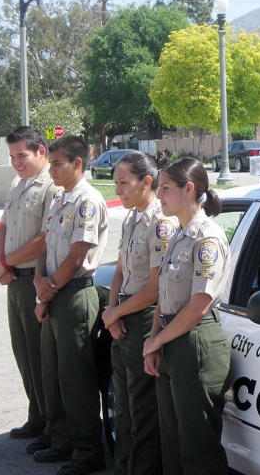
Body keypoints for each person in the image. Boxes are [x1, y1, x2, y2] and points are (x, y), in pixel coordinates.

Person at [143, 158, 231, 475]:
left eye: (165, 188)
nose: (159, 195)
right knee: (173, 447)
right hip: (172, 340)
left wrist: (157, 342)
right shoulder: (179, 236)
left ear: (189, 189)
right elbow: (163, 297)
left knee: (198, 451)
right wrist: (154, 341)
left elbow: (198, 306)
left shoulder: (206, 239)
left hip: (195, 345)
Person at [33, 135, 108, 475]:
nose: (51, 170)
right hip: (53, 290)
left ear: (78, 163)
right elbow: (47, 246)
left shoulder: (87, 201)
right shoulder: (60, 198)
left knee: (77, 378)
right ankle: (61, 439)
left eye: (57, 163)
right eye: (50, 164)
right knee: (54, 373)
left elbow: (78, 254)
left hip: (74, 292)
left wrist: (49, 290)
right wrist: (39, 284)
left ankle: (88, 451)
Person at [101, 151, 177, 475]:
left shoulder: (161, 223)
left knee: (143, 415)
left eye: (123, 183)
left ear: (147, 182)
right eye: (115, 183)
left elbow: (155, 288)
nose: (117, 191)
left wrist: (116, 313)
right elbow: (120, 269)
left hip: (145, 318)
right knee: (125, 413)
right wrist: (112, 310)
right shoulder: (132, 217)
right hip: (124, 316)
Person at [0, 126, 56, 451]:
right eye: (12, 156)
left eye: (22, 155)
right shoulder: (19, 182)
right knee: (24, 353)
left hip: (34, 278)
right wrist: (1, 261)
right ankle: (37, 415)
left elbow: (44, 239)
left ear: (40, 152)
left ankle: (52, 425)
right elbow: (4, 224)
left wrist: (7, 262)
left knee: (40, 355)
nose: (16, 162)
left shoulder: (51, 186)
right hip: (13, 279)